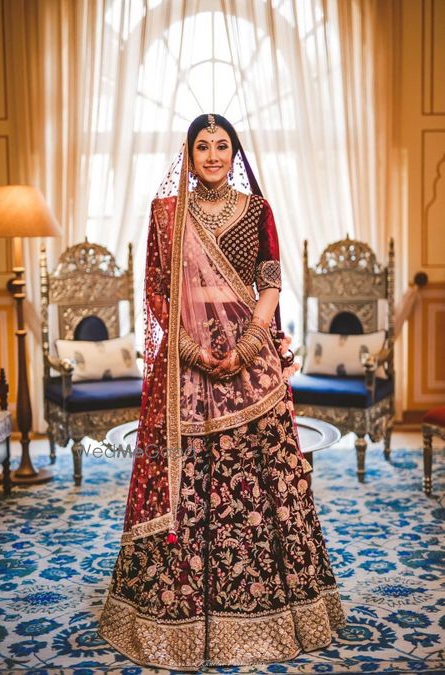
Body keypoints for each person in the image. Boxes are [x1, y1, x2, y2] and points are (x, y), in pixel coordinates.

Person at [98, 113, 346, 670]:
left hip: (249, 360)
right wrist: (188, 350)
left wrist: (252, 341)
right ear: (187, 154)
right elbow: (158, 291)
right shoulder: (167, 213)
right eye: (202, 146)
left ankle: (276, 608)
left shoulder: (257, 210)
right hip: (187, 364)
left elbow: (270, 279)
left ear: (236, 153)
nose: (212, 155)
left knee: (264, 482)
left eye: (222, 146)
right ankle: (171, 615)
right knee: (185, 479)